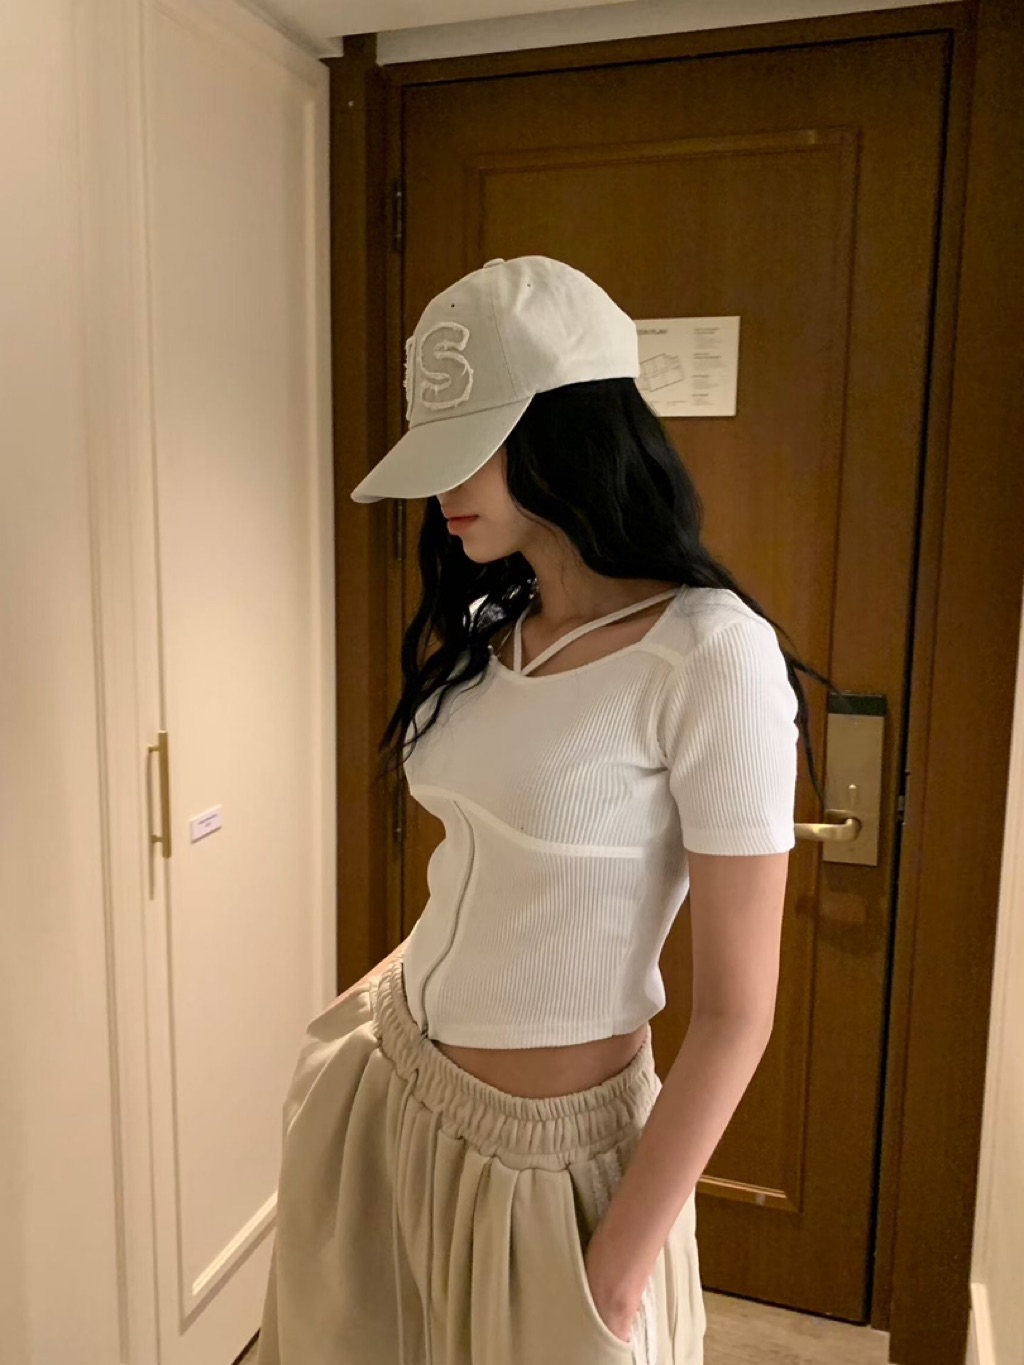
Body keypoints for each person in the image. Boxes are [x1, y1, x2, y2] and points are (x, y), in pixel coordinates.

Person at [255, 255, 831, 1365]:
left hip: (551, 1166)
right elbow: (485, 863)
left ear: (568, 433)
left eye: (469, 445)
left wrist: (615, 1274)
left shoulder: (709, 654)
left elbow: (737, 1015)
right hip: (393, 1091)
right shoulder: (496, 626)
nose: (440, 489)